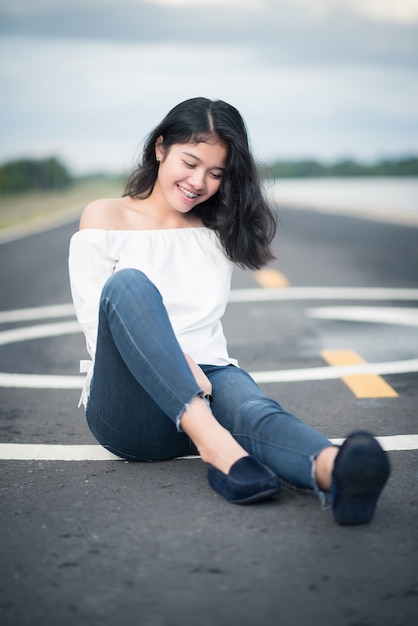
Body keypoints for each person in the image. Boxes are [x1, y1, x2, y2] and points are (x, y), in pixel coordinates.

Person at [68, 97, 390, 524]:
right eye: (190, 162)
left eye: (215, 173)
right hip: (132, 409)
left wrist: (197, 372)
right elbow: (98, 324)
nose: (198, 181)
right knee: (128, 285)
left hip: (213, 374)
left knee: (255, 410)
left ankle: (339, 473)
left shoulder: (217, 228)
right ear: (160, 148)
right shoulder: (104, 216)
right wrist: (180, 365)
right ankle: (217, 449)